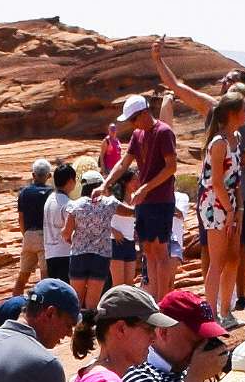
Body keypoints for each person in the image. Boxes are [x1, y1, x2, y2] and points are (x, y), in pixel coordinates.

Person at [112, 94, 182, 301]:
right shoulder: (138, 135)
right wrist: (106, 183)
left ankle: (163, 302)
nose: (132, 124)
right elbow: (124, 163)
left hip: (160, 200)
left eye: (134, 119)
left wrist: (145, 188)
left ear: (144, 113)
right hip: (145, 202)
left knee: (160, 252)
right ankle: (155, 300)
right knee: (149, 251)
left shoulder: (163, 132)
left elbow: (171, 167)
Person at [193, 96, 245, 319]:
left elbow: (235, 179)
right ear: (232, 113)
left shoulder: (236, 138)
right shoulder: (218, 143)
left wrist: (239, 209)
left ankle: (227, 311)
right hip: (215, 204)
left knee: (233, 257)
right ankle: (212, 314)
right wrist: (228, 211)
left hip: (232, 204)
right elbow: (216, 182)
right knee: (217, 260)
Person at [62, 169, 119, 309]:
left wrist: (70, 240)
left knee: (76, 299)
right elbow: (130, 211)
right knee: (92, 303)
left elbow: (66, 232)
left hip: (79, 255)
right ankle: (89, 328)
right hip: (101, 256)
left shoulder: (75, 205)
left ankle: (75, 329)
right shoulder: (109, 203)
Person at [15, 160, 63, 282]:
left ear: (33, 175)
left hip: (28, 235)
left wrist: (25, 234)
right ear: (49, 176)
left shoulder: (24, 192)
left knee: (23, 276)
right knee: (45, 275)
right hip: (44, 237)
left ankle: (14, 299)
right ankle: (45, 300)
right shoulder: (51, 193)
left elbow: (21, 218)